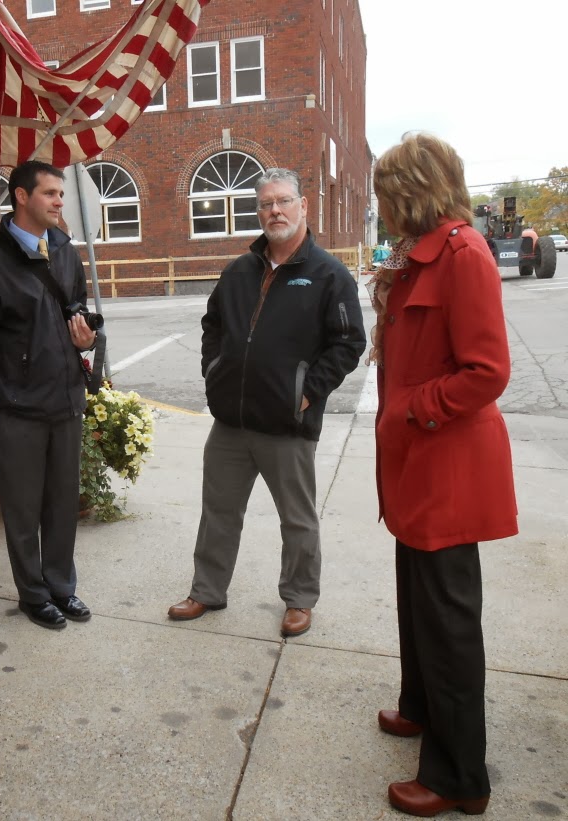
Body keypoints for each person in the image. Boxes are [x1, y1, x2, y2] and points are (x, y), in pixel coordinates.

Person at [369, 133, 517, 817]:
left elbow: (488, 371)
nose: (379, 206)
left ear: (410, 190)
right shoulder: (418, 255)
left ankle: (461, 776)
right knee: (419, 600)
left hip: (446, 465)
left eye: (384, 193)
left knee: (450, 620)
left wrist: (412, 411)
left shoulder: (464, 254)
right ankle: (421, 706)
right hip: (418, 462)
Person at [167, 167, 365, 637]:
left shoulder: (328, 275)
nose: (274, 210)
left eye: (283, 201)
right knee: (218, 511)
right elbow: (212, 326)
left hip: (287, 425)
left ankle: (299, 599)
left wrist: (306, 394)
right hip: (231, 422)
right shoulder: (239, 271)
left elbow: (348, 343)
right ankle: (207, 590)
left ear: (302, 206)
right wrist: (214, 373)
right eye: (265, 204)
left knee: (297, 519)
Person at [0, 160, 96, 631]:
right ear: (21, 197)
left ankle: (61, 587)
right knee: (22, 511)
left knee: (61, 503)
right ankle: (33, 595)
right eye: (50, 193)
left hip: (65, 402)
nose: (59, 201)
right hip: (15, 412)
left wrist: (88, 340)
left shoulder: (65, 252)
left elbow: (80, 314)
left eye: (60, 194)